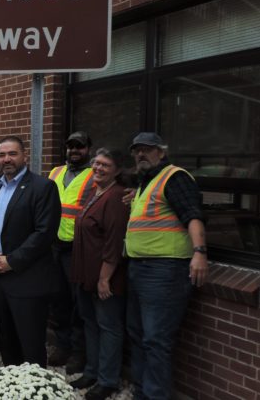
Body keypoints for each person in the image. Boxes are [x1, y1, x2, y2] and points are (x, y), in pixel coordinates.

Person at [125, 132, 208, 400]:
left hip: (164, 272)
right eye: (137, 150)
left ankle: (156, 395)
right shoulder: (145, 183)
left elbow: (193, 214)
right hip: (140, 269)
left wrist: (199, 252)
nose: (141, 155)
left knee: (156, 340)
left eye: (147, 150)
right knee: (138, 336)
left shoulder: (174, 177)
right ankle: (141, 392)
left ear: (161, 152)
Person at [0, 136, 61, 367]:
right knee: (7, 346)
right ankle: (11, 387)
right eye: (2, 155)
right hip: (0, 281)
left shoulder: (43, 187)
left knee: (32, 347)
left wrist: (12, 261)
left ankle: (33, 389)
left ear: (25, 156)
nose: (6, 159)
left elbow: (44, 233)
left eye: (12, 154)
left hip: (29, 282)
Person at [70, 149, 130, 400]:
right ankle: (92, 371)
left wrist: (105, 278)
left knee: (108, 327)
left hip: (106, 279)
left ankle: (107, 380)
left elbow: (114, 242)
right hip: (86, 276)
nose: (98, 168)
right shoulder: (94, 192)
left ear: (117, 170)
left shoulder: (116, 198)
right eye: (96, 163)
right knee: (91, 324)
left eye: (105, 165)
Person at [48, 131, 94, 372]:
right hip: (54, 247)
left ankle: (79, 353)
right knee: (58, 300)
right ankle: (62, 346)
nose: (74, 150)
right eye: (71, 146)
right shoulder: (55, 172)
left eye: (80, 146)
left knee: (79, 304)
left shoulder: (95, 175)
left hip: (78, 249)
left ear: (88, 149)